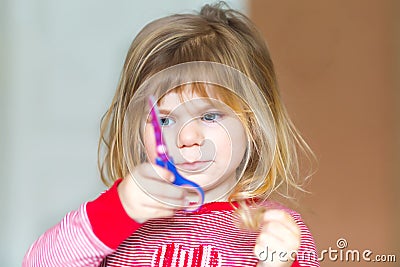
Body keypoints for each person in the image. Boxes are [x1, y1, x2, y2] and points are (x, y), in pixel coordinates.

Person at [23, 2, 320, 266]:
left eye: (209, 115)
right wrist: (116, 210)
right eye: (164, 120)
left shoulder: (277, 231)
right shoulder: (119, 215)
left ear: (253, 123)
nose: (186, 138)